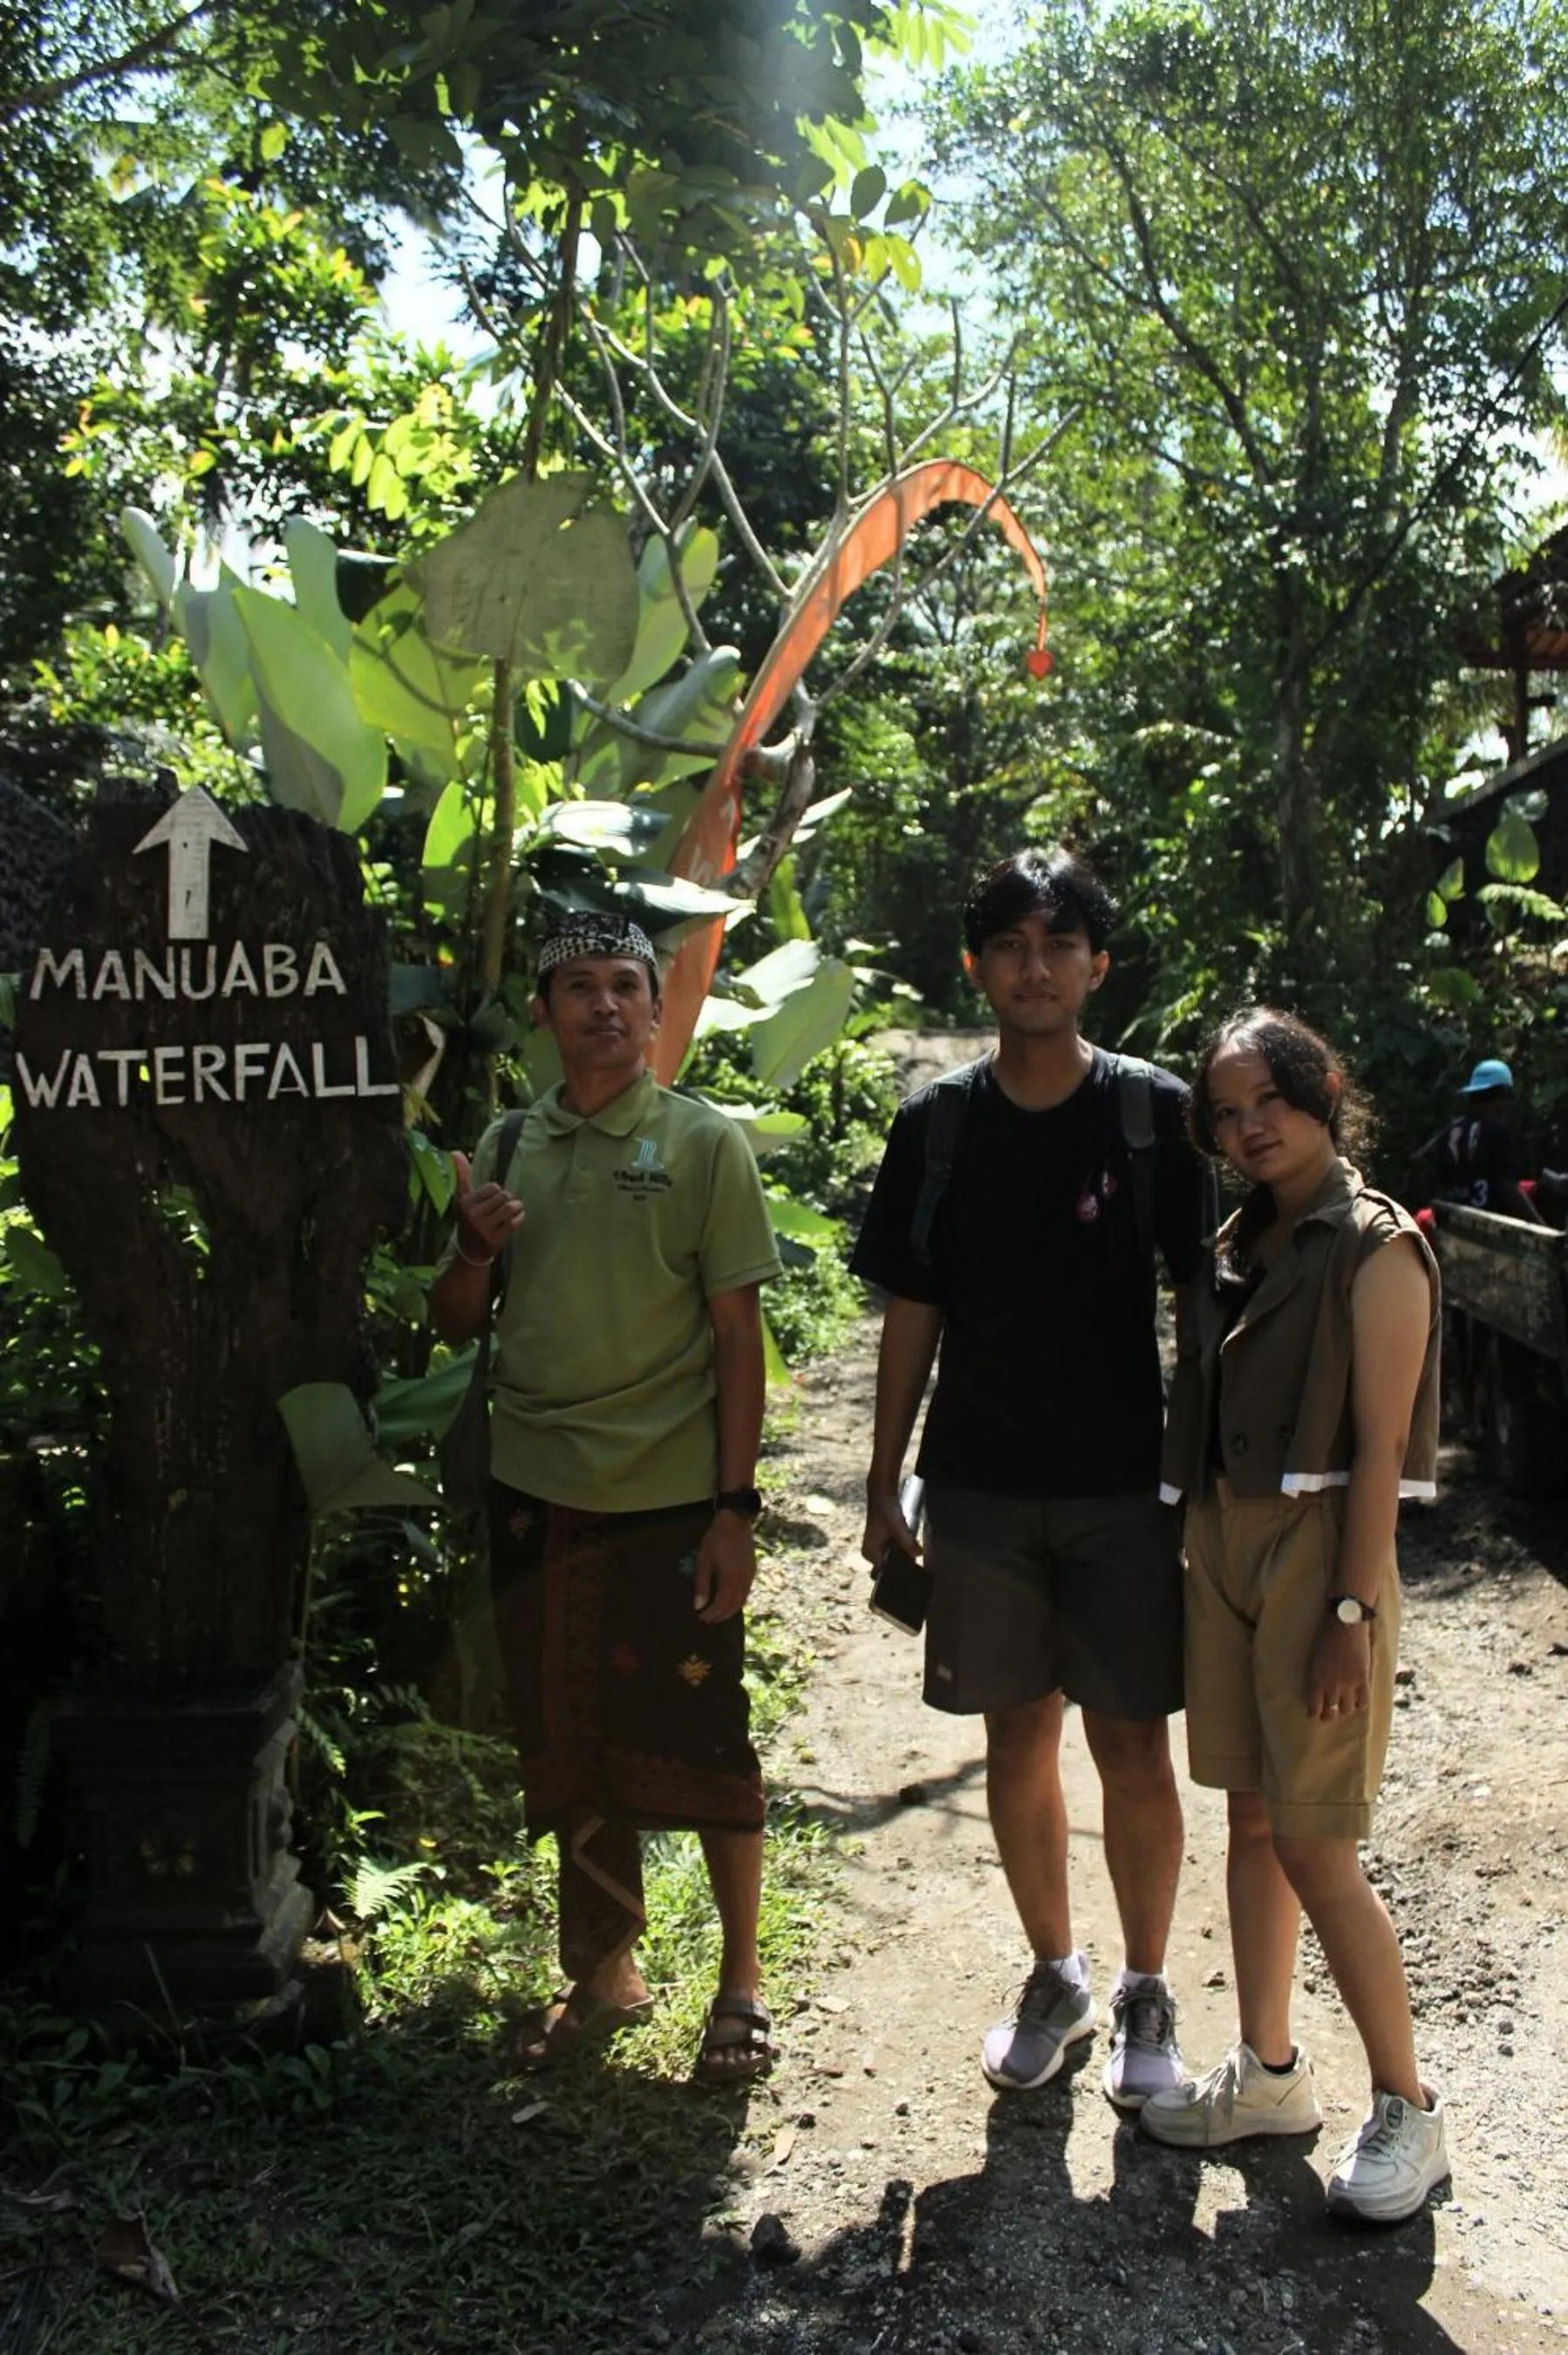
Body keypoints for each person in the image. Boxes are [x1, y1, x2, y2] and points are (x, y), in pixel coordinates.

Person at [851, 849, 1210, 2109]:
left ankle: (1145, 1987)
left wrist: (1197, 1470)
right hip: (982, 1492)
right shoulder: (937, 1124)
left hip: (1122, 1490)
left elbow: (1203, 1299)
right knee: (1018, 1738)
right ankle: (1055, 1973)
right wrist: (882, 1474)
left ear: (1096, 968)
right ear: (976, 965)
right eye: (1009, 944)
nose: (1034, 966)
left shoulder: (1152, 1115)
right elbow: (912, 1307)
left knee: (1130, 1746)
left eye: (1059, 945)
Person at [429, 911, 783, 2082]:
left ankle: (738, 1979)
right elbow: (455, 1319)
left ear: (656, 1005)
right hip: (536, 1489)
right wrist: (472, 1251)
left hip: (671, 1498)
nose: (604, 1007)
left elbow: (740, 1340)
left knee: (705, 1732)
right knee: (564, 1738)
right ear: (543, 1011)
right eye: (577, 987)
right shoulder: (510, 1141)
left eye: (626, 985)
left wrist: (735, 1507)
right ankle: (603, 1971)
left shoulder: (701, 1143)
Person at [1140, 1009, 1449, 2225]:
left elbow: (1378, 1455)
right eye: (1222, 1111)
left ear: (1321, 1093)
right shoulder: (1239, 1241)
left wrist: (1346, 1611)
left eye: (1265, 1098)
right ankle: (1267, 2072)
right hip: (1221, 1537)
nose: (1245, 1126)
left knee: (1318, 1843)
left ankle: (1407, 2111)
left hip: (1318, 1547)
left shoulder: (1376, 1249)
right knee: (1252, 1816)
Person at [1440, 1057, 1543, 1223]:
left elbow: (1444, 1180)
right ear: (1502, 1096)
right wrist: (1544, 1230)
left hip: (1454, 1220)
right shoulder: (1498, 1130)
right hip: (1490, 1225)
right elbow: (1508, 1189)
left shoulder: (1450, 1130)